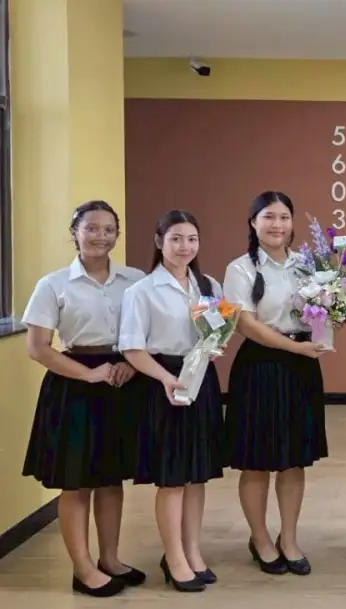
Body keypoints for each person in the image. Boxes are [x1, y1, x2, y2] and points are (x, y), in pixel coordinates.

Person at [20, 200, 146, 597]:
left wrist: (131, 365)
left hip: (121, 383)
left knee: (111, 478)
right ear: (74, 232)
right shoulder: (53, 284)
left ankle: (110, 560)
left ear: (117, 235)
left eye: (109, 229)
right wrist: (88, 374)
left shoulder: (135, 280)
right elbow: (38, 348)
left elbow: (148, 332)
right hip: (73, 386)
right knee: (76, 483)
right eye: (91, 228)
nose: (100, 236)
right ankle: (83, 569)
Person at [118, 210, 226, 593]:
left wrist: (214, 348)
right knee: (173, 478)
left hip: (202, 381)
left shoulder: (209, 285)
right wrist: (166, 378)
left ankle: (192, 551)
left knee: (197, 475)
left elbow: (216, 334)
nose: (185, 247)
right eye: (176, 238)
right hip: (164, 382)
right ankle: (174, 557)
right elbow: (132, 348)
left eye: (192, 239)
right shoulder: (142, 291)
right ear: (159, 242)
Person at [223, 191, 329, 577]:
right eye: (269, 217)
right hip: (260, 366)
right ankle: (261, 539)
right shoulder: (240, 269)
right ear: (253, 222)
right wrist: (294, 348)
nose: (277, 225)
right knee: (257, 461)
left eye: (284, 217)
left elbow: (323, 310)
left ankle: (290, 538)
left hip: (301, 369)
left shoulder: (308, 265)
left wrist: (326, 326)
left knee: (293, 460)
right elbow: (245, 324)